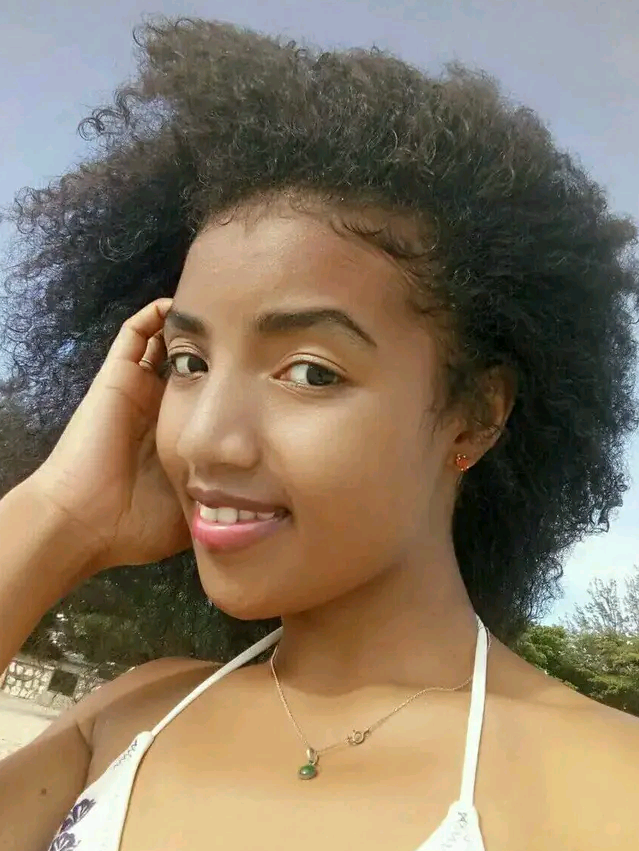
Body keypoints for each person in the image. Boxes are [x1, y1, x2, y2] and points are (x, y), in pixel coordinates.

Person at [0, 15, 638, 851]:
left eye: (309, 372)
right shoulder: (125, 721)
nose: (207, 440)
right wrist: (60, 515)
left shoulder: (606, 789)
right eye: (188, 362)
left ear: (476, 413)